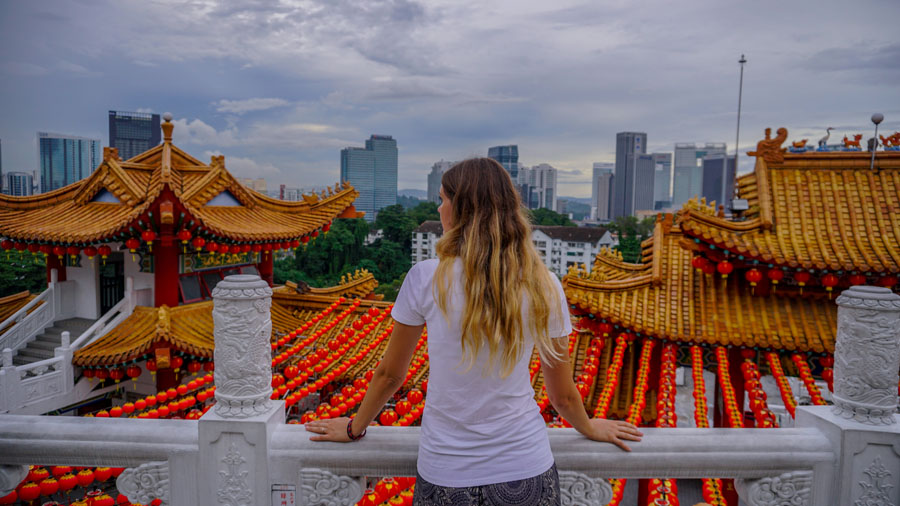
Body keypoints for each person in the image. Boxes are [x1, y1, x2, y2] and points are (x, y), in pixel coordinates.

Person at [305, 158, 643, 505]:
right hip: (526, 467)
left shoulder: (426, 278)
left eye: (442, 199)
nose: (439, 209)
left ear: (461, 208)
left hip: (446, 472)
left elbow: (390, 375)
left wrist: (353, 428)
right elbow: (563, 396)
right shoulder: (544, 284)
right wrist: (588, 426)